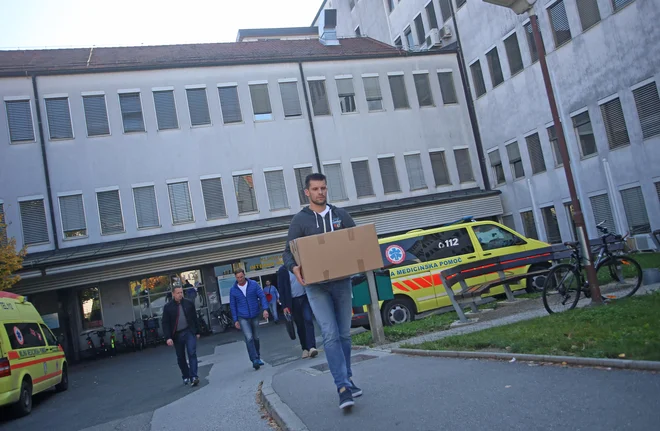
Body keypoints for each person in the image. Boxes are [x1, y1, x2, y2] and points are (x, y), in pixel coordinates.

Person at [283, 172, 362, 410]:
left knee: (345, 334)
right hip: (316, 286)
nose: (321, 193)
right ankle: (342, 387)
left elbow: (357, 241)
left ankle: (347, 378)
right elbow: (288, 252)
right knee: (329, 333)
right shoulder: (300, 221)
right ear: (307, 192)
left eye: (324, 188)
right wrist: (293, 267)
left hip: (342, 282)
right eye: (316, 189)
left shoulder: (340, 215)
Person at [229, 269, 270, 370]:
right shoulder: (233, 290)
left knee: (256, 337)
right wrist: (235, 320)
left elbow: (262, 296)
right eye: (238, 278)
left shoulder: (253, 284)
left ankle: (258, 356)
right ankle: (254, 359)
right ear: (236, 278)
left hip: (255, 314)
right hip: (242, 317)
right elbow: (233, 306)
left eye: (241, 277)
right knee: (249, 338)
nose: (240, 279)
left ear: (244, 275)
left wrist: (265, 309)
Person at [161, 286, 201, 386]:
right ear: (173, 294)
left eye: (181, 292)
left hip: (188, 331)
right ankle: (186, 375)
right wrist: (168, 337)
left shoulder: (188, 304)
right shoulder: (168, 307)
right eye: (178, 293)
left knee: (192, 352)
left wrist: (197, 331)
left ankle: (194, 376)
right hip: (177, 335)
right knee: (181, 357)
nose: (180, 295)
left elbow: (194, 318)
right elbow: (165, 323)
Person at [277, 265, 318, 359]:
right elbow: (281, 288)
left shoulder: (301, 265)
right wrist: (284, 306)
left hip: (304, 298)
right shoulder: (283, 271)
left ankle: (312, 347)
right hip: (293, 301)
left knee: (308, 320)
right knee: (300, 325)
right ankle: (305, 348)